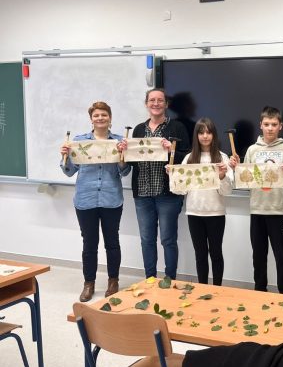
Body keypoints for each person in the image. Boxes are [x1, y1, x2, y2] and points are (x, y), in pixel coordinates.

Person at [60, 101, 131, 302]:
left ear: (110, 117)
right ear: (91, 119)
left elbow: (125, 171)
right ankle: (88, 283)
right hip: (86, 199)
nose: (100, 118)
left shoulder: (119, 141)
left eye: (104, 115)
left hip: (111, 198)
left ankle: (113, 281)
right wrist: (65, 157)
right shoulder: (79, 141)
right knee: (89, 244)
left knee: (112, 243)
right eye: (96, 115)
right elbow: (69, 172)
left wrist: (123, 156)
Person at [229, 106, 283, 294]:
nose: (270, 128)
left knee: (282, 256)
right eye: (266, 124)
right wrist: (237, 169)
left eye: (274, 124)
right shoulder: (252, 150)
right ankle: (260, 292)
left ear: (280, 126)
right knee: (258, 256)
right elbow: (245, 182)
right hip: (257, 210)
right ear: (260, 125)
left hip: (279, 211)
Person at [125, 88, 190, 280]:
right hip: (142, 193)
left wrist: (171, 151)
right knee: (146, 240)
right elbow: (133, 161)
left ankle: (170, 279)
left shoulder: (177, 127)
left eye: (160, 100)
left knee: (168, 240)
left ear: (166, 104)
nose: (156, 103)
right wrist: (125, 151)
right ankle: (150, 279)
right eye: (152, 100)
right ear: (146, 104)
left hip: (168, 194)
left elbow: (188, 158)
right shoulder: (138, 129)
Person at [179, 118, 233, 285]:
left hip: (216, 213)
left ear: (214, 135)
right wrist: (174, 178)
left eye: (208, 132)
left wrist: (222, 176)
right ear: (196, 135)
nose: (205, 136)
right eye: (201, 132)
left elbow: (227, 191)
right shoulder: (189, 158)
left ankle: (217, 288)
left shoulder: (222, 157)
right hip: (194, 212)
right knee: (200, 254)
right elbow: (181, 190)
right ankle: (202, 287)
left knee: (216, 253)